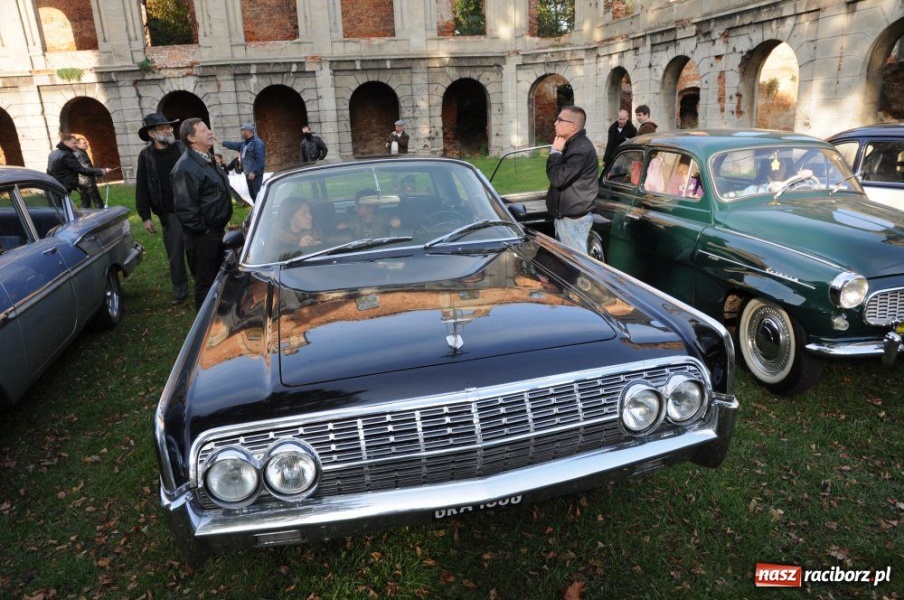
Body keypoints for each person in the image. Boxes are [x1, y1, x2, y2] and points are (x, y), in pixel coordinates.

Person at [172, 117, 233, 310]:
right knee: (206, 284)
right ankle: (205, 330)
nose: (210, 132)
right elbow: (185, 208)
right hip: (202, 236)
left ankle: (219, 316)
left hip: (214, 231)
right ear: (191, 138)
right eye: (204, 130)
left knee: (218, 277)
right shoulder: (186, 167)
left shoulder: (206, 159)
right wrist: (204, 232)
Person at [135, 112, 190, 306]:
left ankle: (207, 288)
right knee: (175, 255)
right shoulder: (146, 156)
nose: (168, 130)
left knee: (197, 251)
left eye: (169, 127)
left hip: (191, 209)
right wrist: (145, 216)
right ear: (151, 133)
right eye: (163, 128)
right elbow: (141, 186)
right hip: (169, 213)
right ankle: (180, 292)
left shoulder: (183, 148)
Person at [545, 105, 599, 255]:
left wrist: (555, 152)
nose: (555, 123)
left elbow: (557, 178)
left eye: (560, 120)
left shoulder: (580, 149)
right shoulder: (571, 145)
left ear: (573, 126)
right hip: (566, 220)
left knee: (576, 269)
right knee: (566, 266)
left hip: (573, 222)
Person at [221, 123, 265, 201]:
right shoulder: (245, 143)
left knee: (258, 195)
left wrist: (253, 172)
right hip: (248, 173)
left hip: (254, 175)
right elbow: (235, 145)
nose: (242, 133)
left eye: (242, 131)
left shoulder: (258, 143)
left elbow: (260, 159)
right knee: (253, 196)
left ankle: (262, 211)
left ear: (247, 131)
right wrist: (223, 143)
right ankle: (257, 210)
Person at [73, 138, 104, 209]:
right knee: (97, 201)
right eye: (84, 143)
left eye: (86, 142)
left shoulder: (77, 153)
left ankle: (83, 217)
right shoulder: (81, 154)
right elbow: (87, 169)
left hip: (80, 181)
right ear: (78, 144)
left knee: (85, 201)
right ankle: (101, 217)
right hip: (87, 181)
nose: (87, 144)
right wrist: (100, 172)